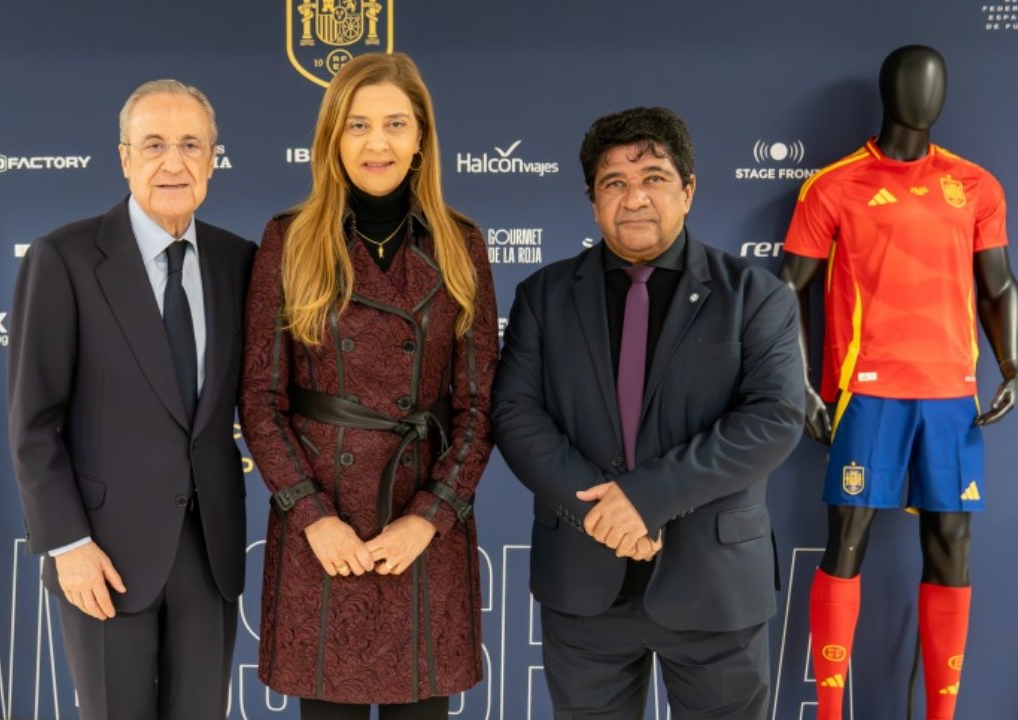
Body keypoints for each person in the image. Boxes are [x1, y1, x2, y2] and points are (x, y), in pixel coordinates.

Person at [492, 107, 805, 719]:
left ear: (688, 191)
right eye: (614, 183)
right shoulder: (544, 296)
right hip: (584, 586)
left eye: (654, 178)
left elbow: (773, 417)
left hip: (716, 589)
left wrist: (645, 499)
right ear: (592, 201)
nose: (635, 198)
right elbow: (514, 412)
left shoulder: (755, 294)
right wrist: (603, 512)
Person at [240, 52, 496, 720]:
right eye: (356, 125)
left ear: (421, 138)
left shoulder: (462, 244)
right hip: (324, 531)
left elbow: (476, 406)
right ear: (331, 139)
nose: (376, 143)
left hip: (422, 529)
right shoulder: (289, 240)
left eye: (394, 124)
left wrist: (430, 517)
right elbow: (261, 404)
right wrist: (312, 517)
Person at [779, 45, 1016, 720]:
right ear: (891, 92)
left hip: (951, 395)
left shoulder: (977, 185)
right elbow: (788, 288)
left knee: (952, 544)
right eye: (914, 83)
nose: (926, 95)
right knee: (845, 540)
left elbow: (998, 283)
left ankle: (942, 715)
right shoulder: (832, 186)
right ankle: (829, 713)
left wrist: (1013, 362)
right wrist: (800, 380)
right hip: (867, 390)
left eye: (936, 84)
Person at [7, 79, 256, 719]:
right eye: (153, 145)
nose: (173, 162)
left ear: (212, 157)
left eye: (190, 145)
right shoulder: (62, 258)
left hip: (210, 556)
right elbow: (33, 423)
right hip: (104, 558)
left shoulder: (241, 262)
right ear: (124, 158)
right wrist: (67, 546)